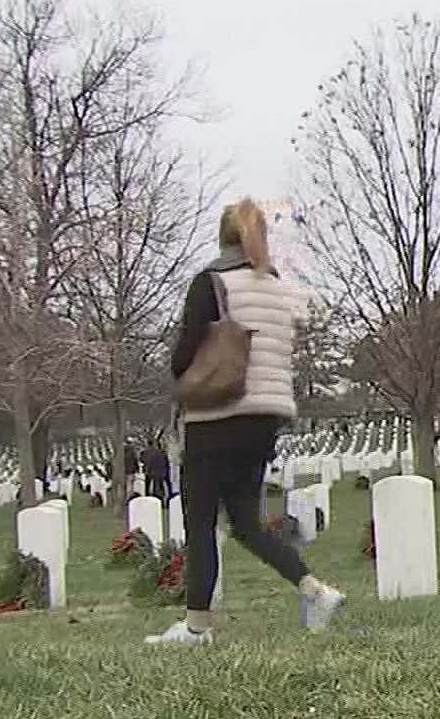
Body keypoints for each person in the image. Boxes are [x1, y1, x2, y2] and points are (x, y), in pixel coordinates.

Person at [147, 198, 345, 647]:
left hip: (216, 415)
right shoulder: (277, 289)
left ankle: (197, 627)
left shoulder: (212, 283)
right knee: (246, 524)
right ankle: (316, 591)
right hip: (264, 419)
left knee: (199, 522)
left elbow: (183, 357)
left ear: (223, 237)